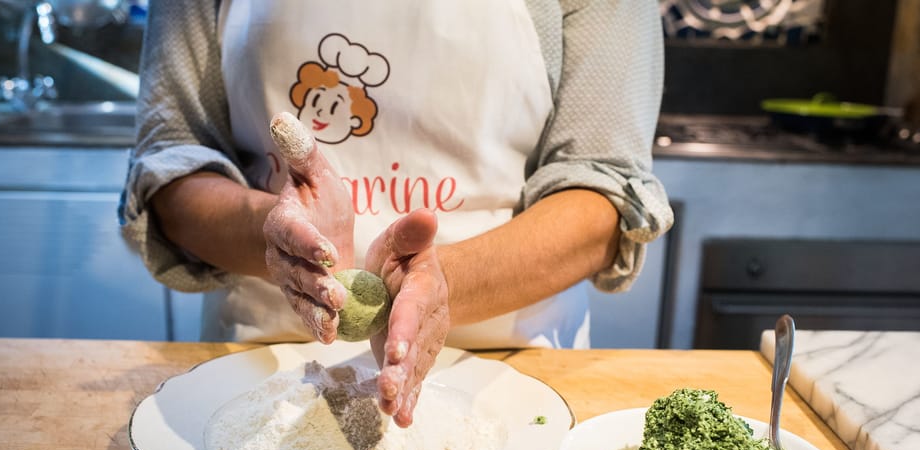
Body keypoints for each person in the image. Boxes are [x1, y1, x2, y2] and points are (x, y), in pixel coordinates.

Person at [119, 1, 674, 427]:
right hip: (260, 365)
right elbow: (172, 164)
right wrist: (270, 231)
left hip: (513, 368)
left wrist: (445, 283)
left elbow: (603, 192)